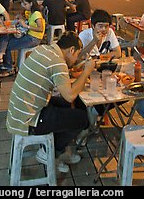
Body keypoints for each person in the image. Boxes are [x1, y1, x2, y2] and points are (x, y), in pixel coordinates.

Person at [6, 31, 95, 173]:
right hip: (28, 119)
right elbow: (70, 95)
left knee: (67, 106)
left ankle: (58, 149)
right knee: (82, 118)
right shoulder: (58, 62)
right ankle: (51, 153)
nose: (77, 58)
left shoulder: (45, 49)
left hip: (20, 110)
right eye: (77, 54)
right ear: (71, 50)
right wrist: (86, 72)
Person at [0, 0, 45, 77]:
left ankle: (8, 67)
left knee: (6, 45)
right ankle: (0, 56)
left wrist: (26, 26)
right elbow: (28, 21)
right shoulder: (30, 12)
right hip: (28, 35)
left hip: (33, 38)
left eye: (25, 4)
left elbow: (41, 28)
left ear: (31, 4)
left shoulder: (36, 14)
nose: (24, 6)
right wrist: (21, 18)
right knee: (5, 36)